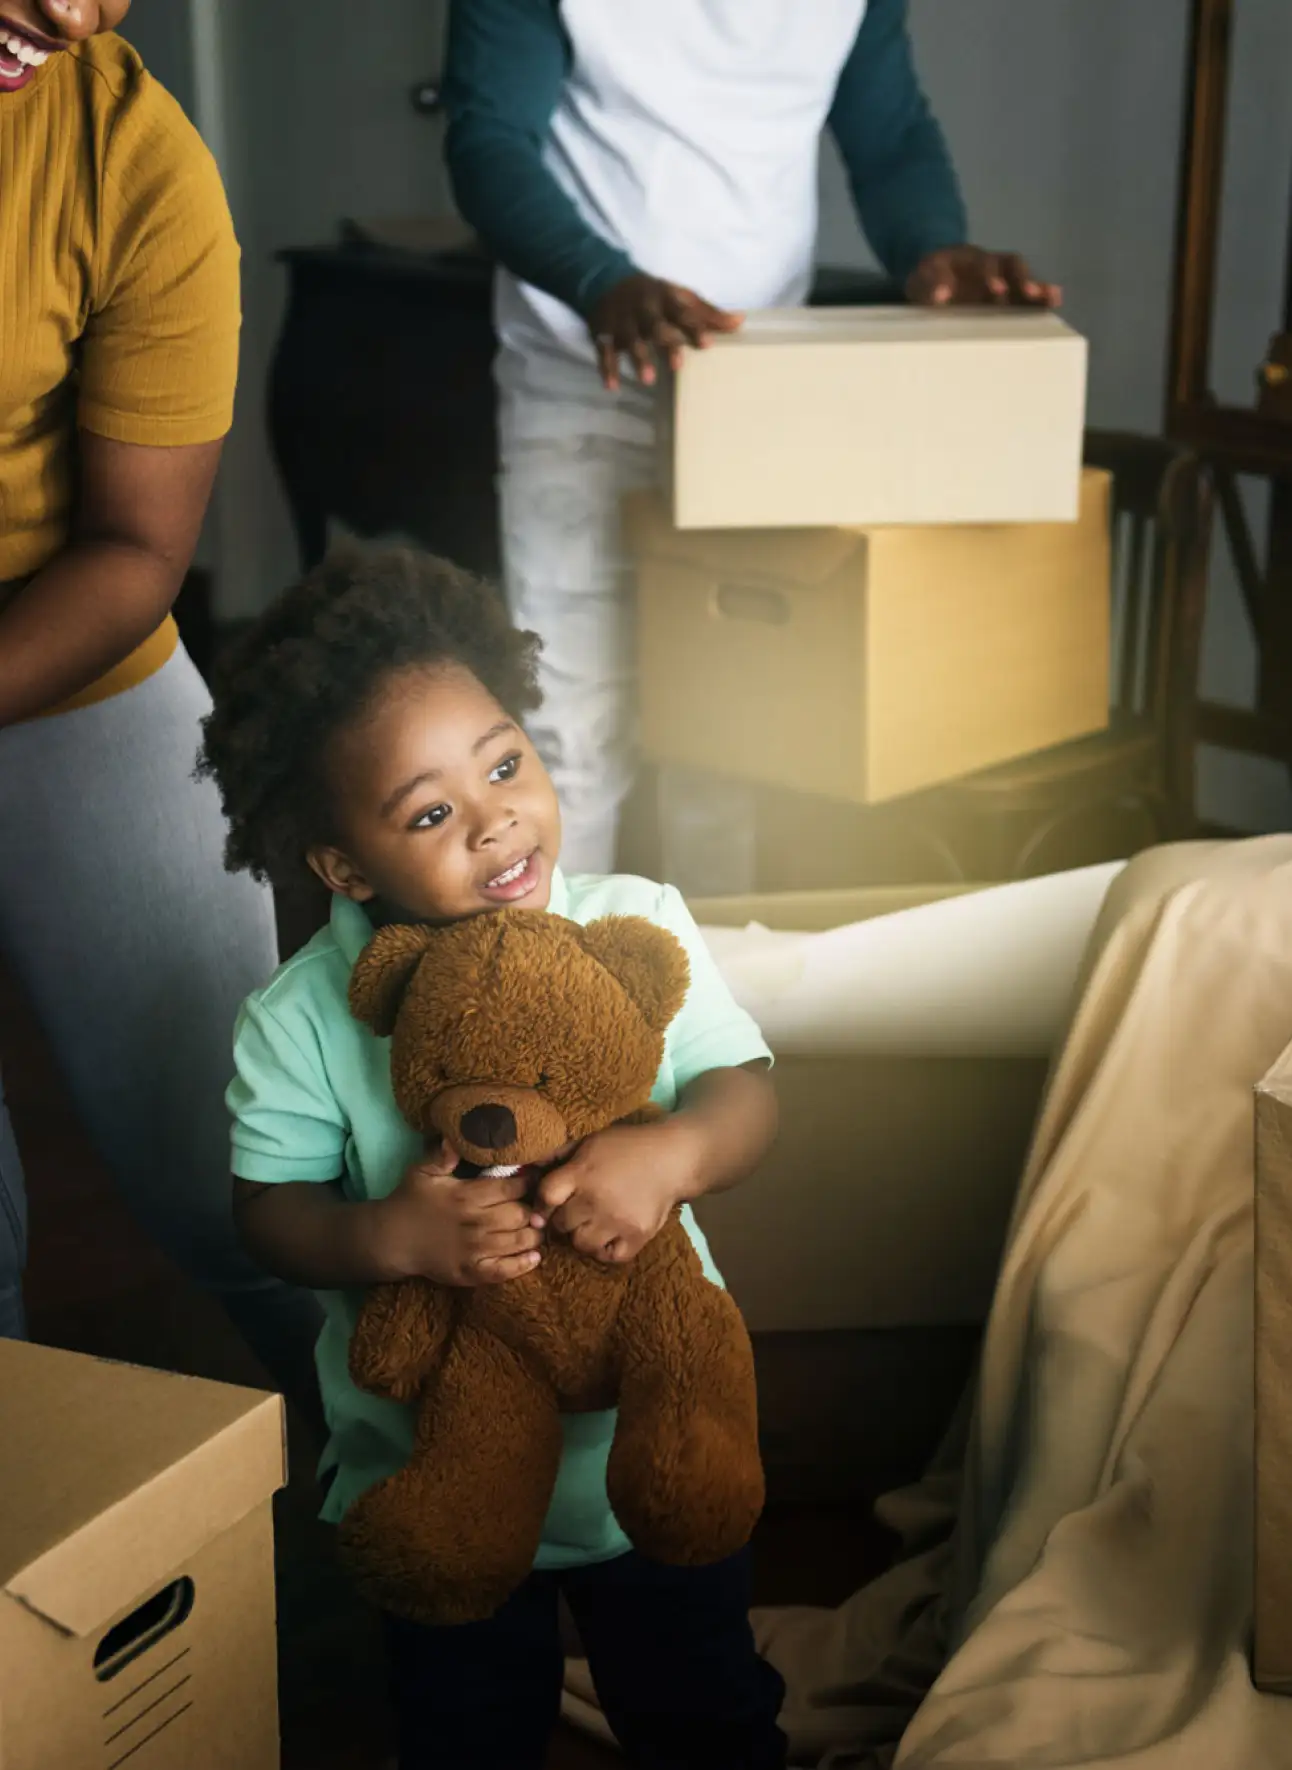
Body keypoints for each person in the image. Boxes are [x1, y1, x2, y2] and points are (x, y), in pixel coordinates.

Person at [196, 544, 785, 1769]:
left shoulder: (634, 924)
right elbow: (267, 1212)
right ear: (347, 868)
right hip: (432, 1474)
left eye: (505, 764)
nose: (497, 819)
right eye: (429, 813)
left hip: (649, 1443)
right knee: (465, 1734)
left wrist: (668, 1156)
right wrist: (383, 1239)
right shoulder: (301, 1016)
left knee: (705, 1712)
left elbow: (747, 1095)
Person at [443, 0, 1060, 887]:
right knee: (569, 730)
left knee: (726, 730)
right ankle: (565, 1005)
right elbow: (489, 141)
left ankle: (712, 1005)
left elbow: (889, 136)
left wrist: (932, 247)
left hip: (754, 394)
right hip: (583, 376)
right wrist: (600, 280)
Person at [0, 0, 322, 1407]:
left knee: (234, 1178)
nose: (77, 12)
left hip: (66, 656)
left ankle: (426, 1519)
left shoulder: (132, 156)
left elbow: (137, 551)